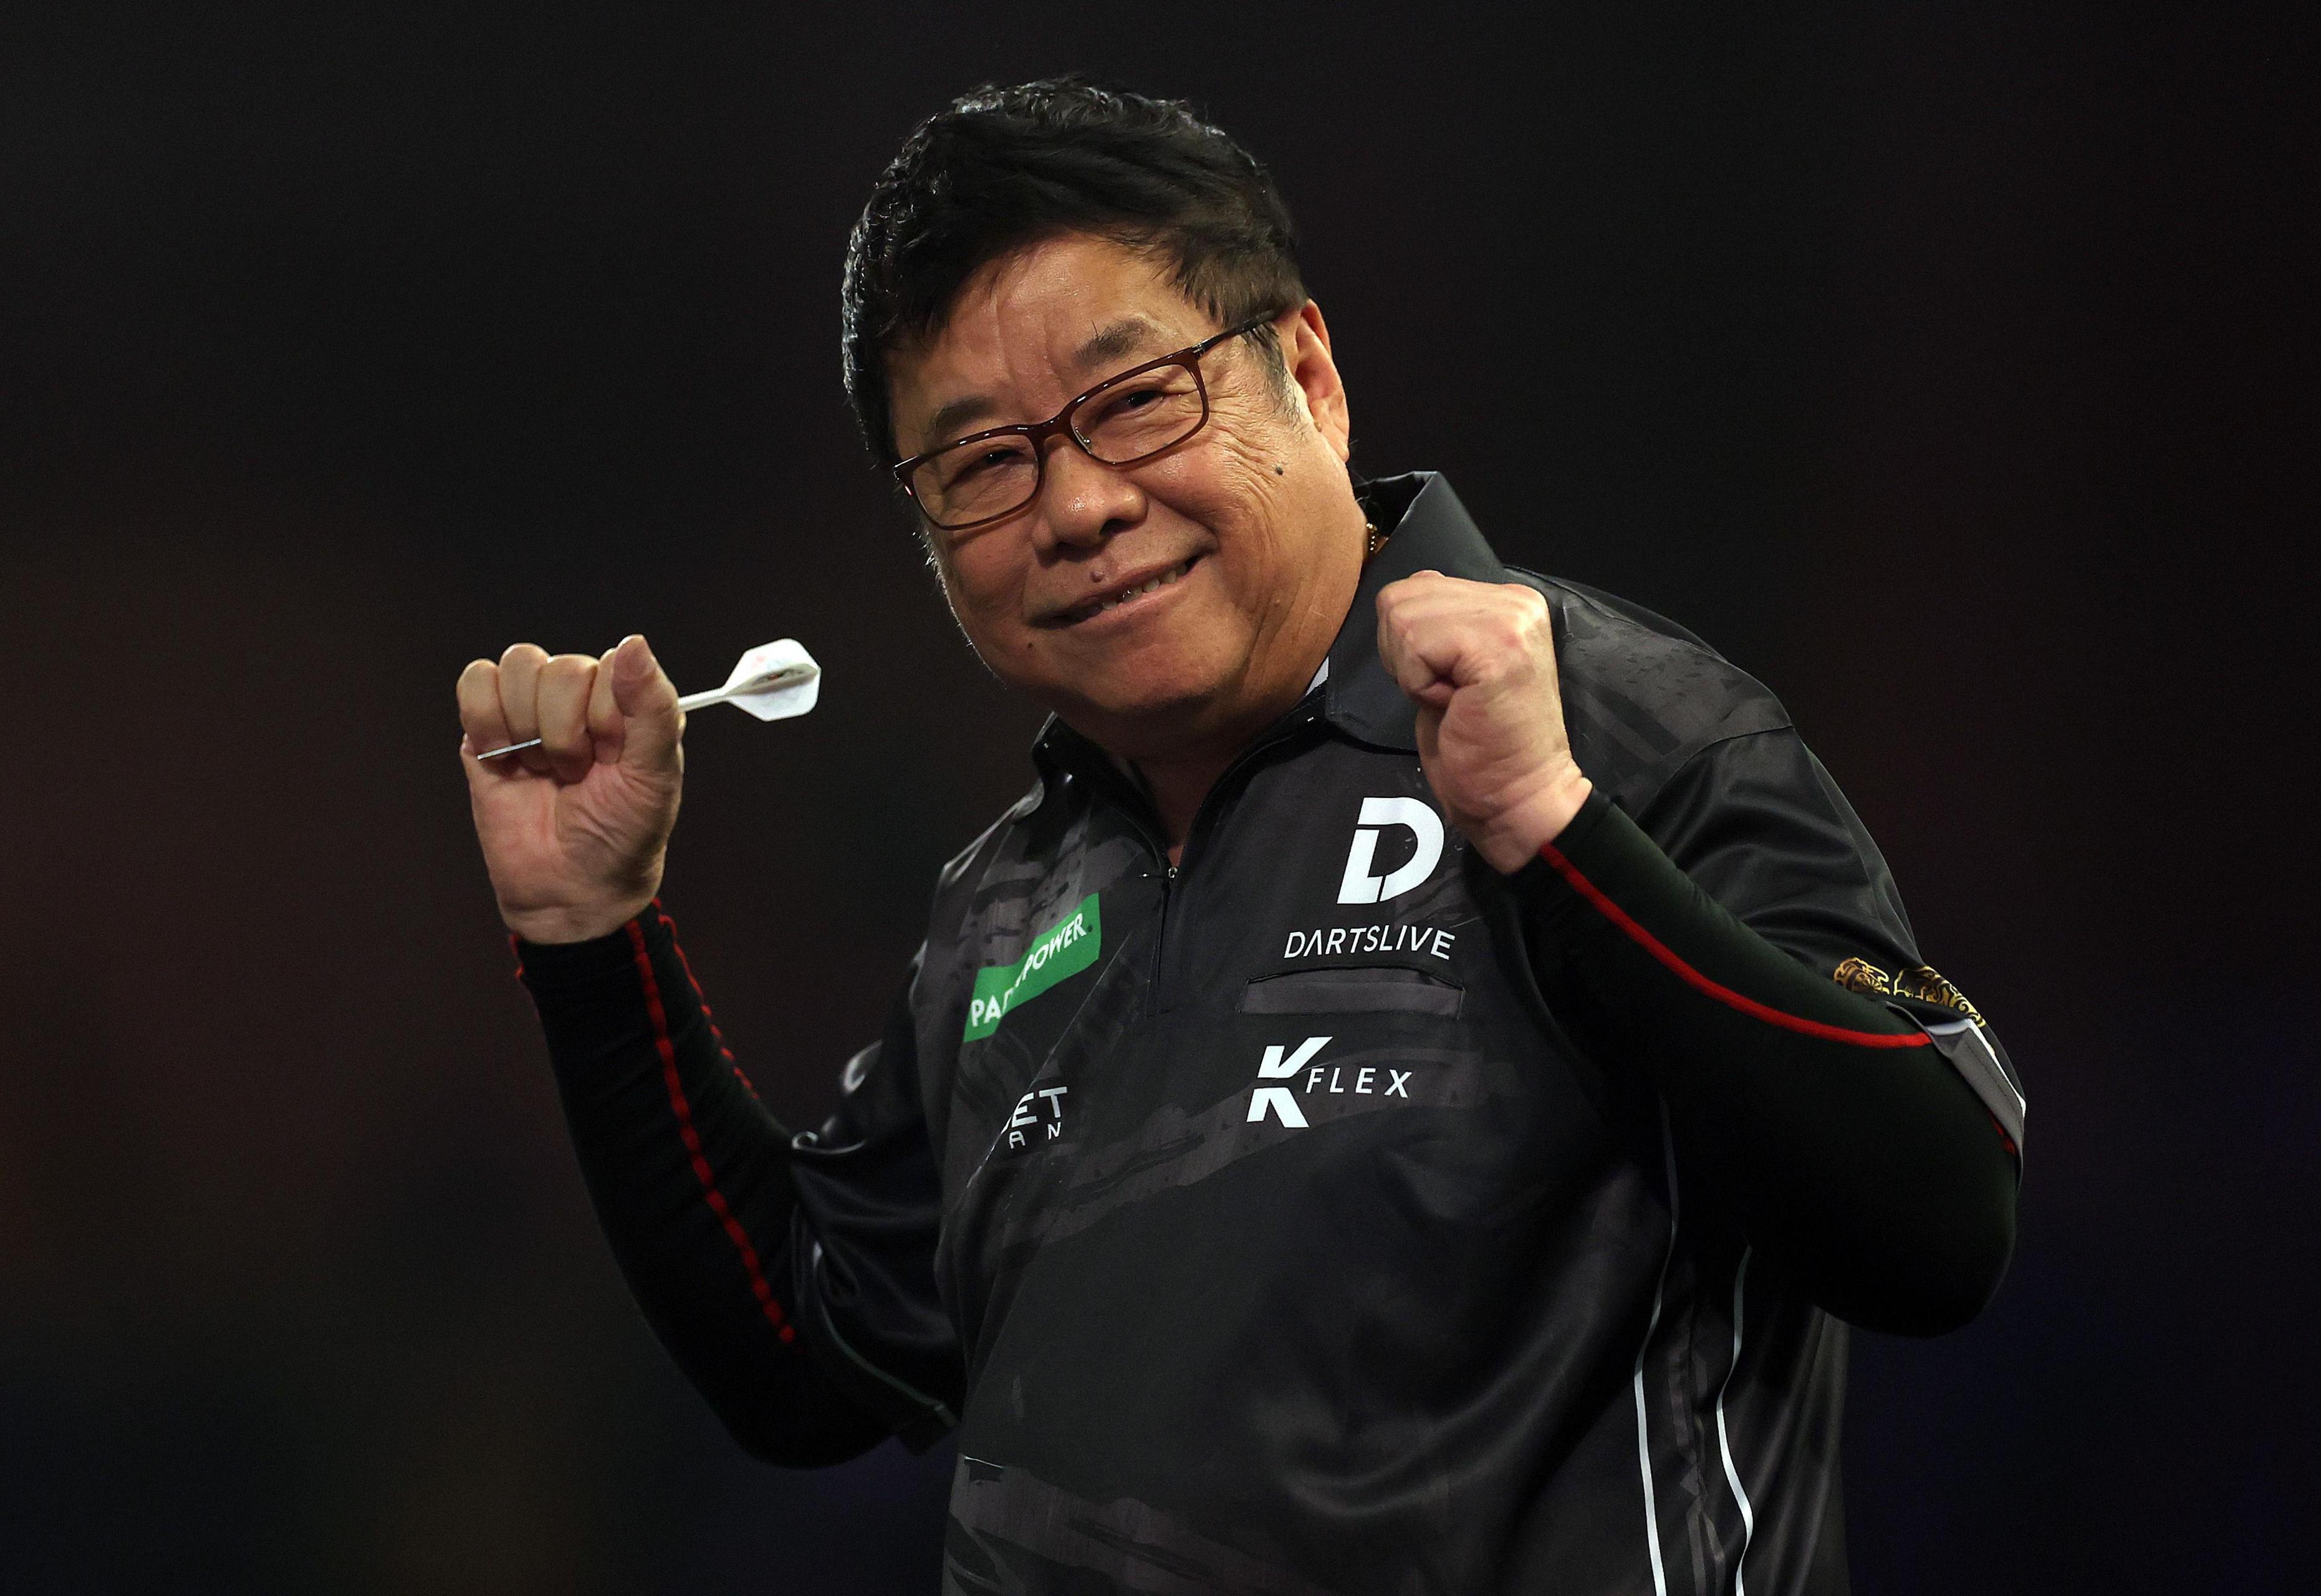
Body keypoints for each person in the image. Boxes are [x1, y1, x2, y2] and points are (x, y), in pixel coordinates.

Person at [454, 80, 2024, 1596]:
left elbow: (1938, 1223)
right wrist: (593, 941)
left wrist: (1552, 835)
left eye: (1135, 400)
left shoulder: (1630, 733)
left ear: (1311, 377)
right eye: (986, 463)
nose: (1075, 506)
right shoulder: (1003, 904)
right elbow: (808, 1355)